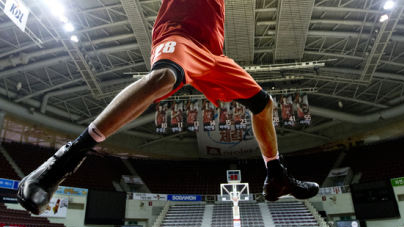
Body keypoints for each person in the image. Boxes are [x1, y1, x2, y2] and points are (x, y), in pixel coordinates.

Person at [17, 0, 319, 214]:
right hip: (179, 35)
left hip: (213, 53)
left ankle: (276, 173)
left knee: (263, 104)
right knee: (163, 77)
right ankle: (64, 161)